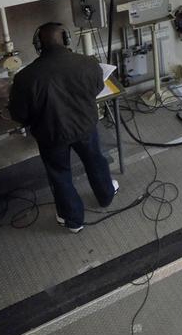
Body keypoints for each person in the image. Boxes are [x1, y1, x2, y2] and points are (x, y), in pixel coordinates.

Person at [9, 22, 117, 232]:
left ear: (38, 45)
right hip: (85, 127)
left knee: (60, 175)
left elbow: (19, 115)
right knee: (96, 161)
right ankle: (106, 196)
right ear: (66, 39)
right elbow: (97, 87)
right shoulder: (88, 63)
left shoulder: (24, 78)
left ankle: (73, 220)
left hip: (51, 135)